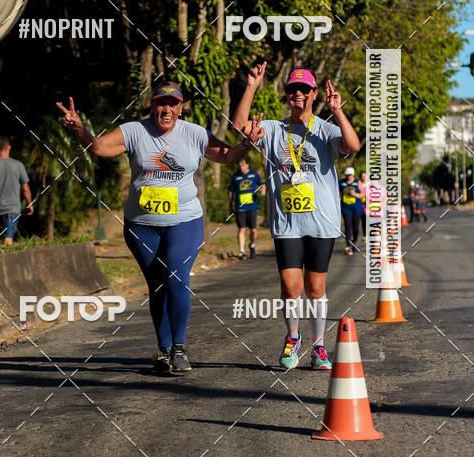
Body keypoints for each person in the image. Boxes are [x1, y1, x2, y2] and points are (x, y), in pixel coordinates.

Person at [57, 81, 263, 375]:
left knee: (175, 277)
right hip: (141, 226)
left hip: (185, 222)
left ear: (181, 107)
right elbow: (99, 147)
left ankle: (179, 347)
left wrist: (247, 144)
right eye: (160, 103)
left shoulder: (194, 133)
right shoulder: (134, 131)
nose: (166, 109)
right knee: (157, 285)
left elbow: (228, 155)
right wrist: (78, 127)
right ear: (152, 106)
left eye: (173, 104)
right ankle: (163, 350)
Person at [233, 64, 360, 371]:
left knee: (315, 288)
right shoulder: (275, 130)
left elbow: (354, 146)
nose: (298, 94)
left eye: (304, 90)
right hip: (286, 223)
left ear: (314, 94)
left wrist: (338, 111)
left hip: (321, 222)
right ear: (287, 96)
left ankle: (318, 347)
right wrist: (251, 86)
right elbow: (238, 126)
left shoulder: (326, 130)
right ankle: (292, 338)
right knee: (291, 286)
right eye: (292, 90)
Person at [0, 136, 34, 244]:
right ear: (9, 147)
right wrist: (29, 203)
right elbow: (25, 188)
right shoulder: (18, 165)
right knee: (7, 240)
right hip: (12, 210)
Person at [228, 158, 265, 259]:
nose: (241, 167)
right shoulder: (235, 177)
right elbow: (231, 192)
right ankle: (241, 250)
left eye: (243, 165)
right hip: (240, 207)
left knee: (253, 230)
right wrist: (230, 206)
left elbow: (262, 184)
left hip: (252, 206)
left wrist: (262, 190)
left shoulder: (254, 174)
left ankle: (252, 245)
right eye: (240, 165)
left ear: (247, 165)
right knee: (241, 229)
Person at [339, 167, 363, 255]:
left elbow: (362, 194)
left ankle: (355, 242)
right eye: (347, 175)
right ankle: (348, 246)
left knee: (356, 228)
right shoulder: (341, 182)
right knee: (348, 227)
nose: (349, 176)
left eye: (350, 175)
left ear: (353, 174)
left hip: (357, 208)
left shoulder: (357, 182)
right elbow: (338, 193)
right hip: (346, 208)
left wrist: (355, 194)